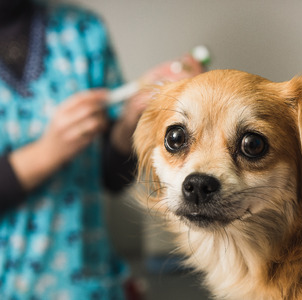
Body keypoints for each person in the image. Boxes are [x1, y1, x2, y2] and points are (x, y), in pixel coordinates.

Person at [0, 0, 203, 298]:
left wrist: (131, 118)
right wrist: (49, 151)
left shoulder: (83, 31)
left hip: (87, 280)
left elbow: (113, 176)